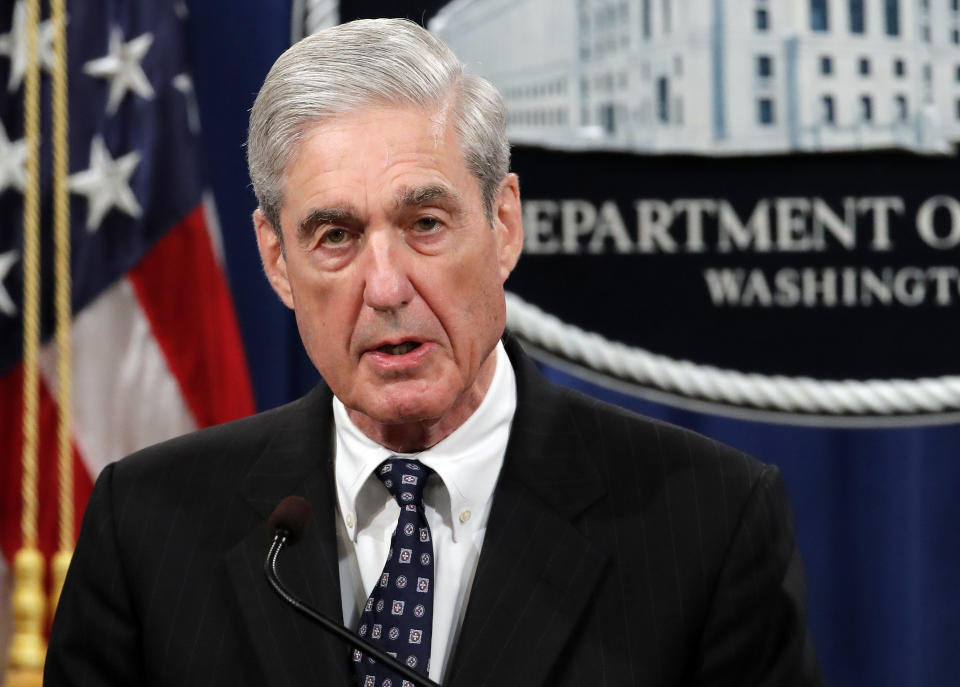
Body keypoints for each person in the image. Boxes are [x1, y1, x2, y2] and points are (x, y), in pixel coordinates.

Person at [45, 18, 823, 687]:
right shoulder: (147, 528)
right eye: (336, 236)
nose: (386, 287)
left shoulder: (708, 523)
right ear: (278, 260)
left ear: (504, 223)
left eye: (424, 223)